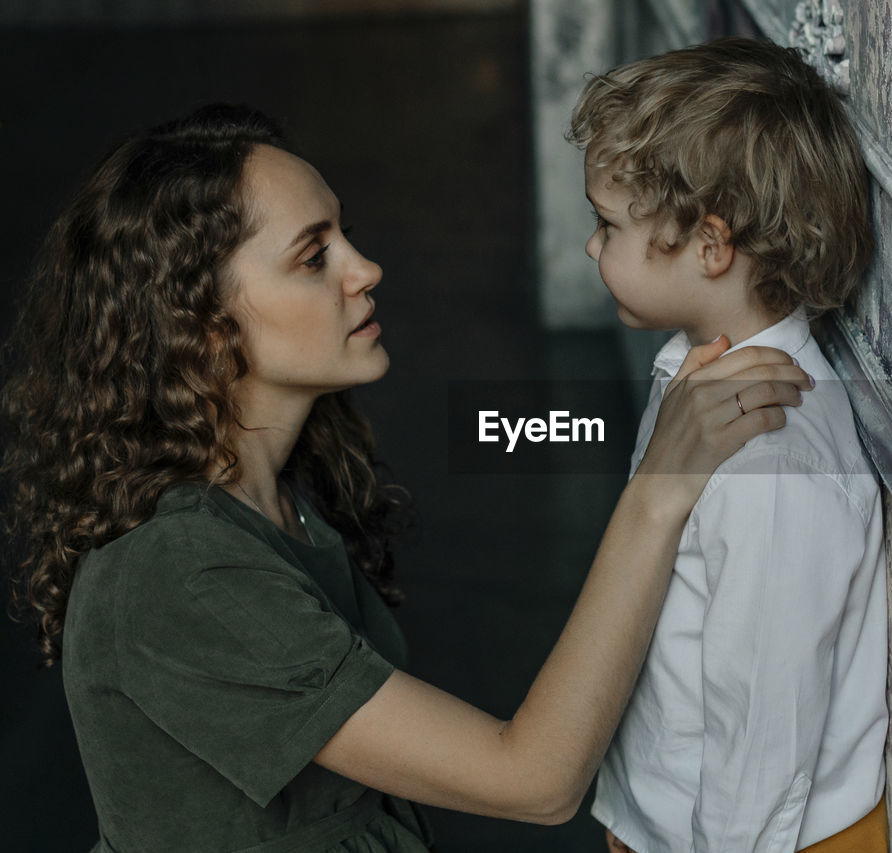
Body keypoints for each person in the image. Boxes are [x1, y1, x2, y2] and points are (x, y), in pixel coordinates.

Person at [0, 103, 816, 852]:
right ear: (203, 328)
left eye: (344, 236)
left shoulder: (281, 501)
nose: (366, 269)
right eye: (316, 255)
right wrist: (659, 489)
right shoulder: (181, 576)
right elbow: (532, 780)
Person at [569, 37, 889, 853]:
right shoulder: (699, 372)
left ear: (710, 247)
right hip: (668, 821)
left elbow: (763, 726)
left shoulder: (771, 463)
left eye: (607, 226)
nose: (592, 247)